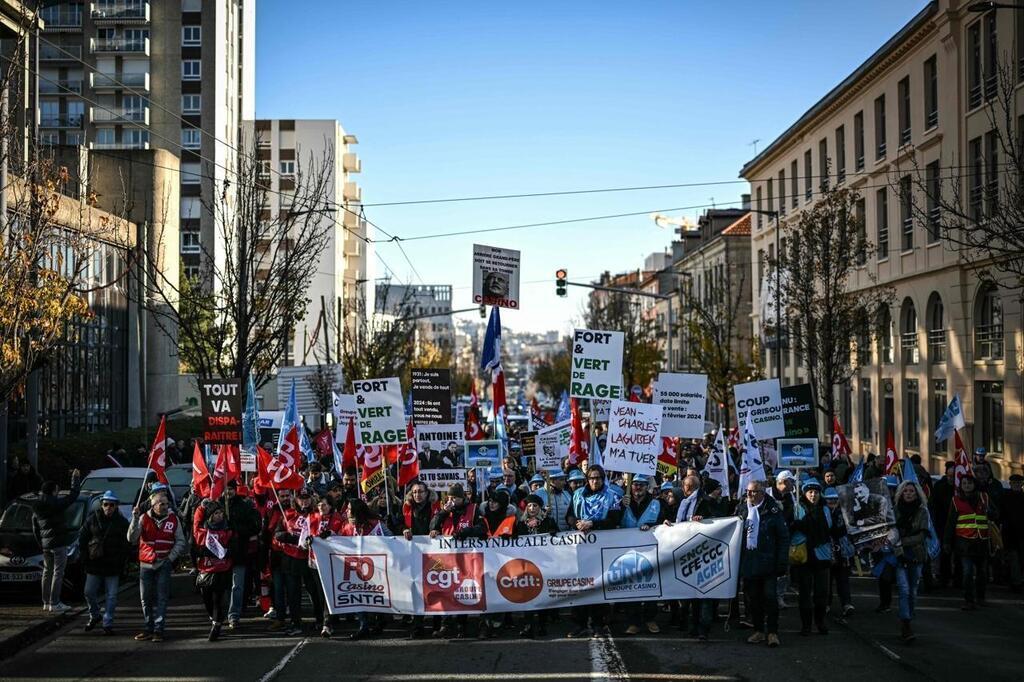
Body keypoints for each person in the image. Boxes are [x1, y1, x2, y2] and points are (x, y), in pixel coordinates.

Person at [566, 465, 622, 638]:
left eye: (598, 478)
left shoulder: (612, 496)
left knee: (599, 585)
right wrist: (577, 523)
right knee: (580, 585)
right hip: (581, 547)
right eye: (591, 478)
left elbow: (614, 519)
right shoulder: (577, 495)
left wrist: (593, 524)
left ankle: (599, 624)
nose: (594, 481)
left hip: (602, 547)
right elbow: (568, 516)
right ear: (587, 479)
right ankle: (579, 623)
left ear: (603, 478)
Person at [736, 480, 789, 648]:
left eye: (753, 492)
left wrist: (782, 562)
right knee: (754, 599)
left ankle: (772, 632)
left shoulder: (773, 510)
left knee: (770, 598)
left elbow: (783, 537)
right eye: (748, 492)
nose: (750, 495)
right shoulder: (743, 509)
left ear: (762, 493)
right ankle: (759, 630)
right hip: (750, 562)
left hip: (768, 562)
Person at [128, 490, 187, 642]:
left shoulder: (174, 520)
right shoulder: (143, 518)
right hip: (146, 565)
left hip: (163, 564)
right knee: (145, 598)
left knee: (162, 598)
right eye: (162, 504)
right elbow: (132, 538)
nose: (165, 506)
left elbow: (181, 541)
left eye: (167, 504)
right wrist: (134, 519)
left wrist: (170, 558)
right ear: (153, 505)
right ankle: (148, 627)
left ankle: (158, 629)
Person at [430, 484, 486, 638]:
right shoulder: (445, 510)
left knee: (464, 591)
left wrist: (468, 531)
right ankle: (446, 625)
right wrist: (443, 513)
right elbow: (433, 526)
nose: (451, 501)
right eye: (449, 497)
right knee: (447, 590)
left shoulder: (473, 509)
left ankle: (462, 626)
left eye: (454, 498)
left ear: (462, 498)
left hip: (468, 558)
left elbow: (482, 529)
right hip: (447, 557)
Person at [268, 487, 321, 635]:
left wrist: (301, 540)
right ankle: (296, 622)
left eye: (307, 498)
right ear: (296, 499)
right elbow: (277, 534)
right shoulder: (288, 514)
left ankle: (320, 619)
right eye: (301, 498)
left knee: (314, 591)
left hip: (310, 560)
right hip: (291, 559)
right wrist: (294, 538)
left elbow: (320, 535)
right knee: (293, 593)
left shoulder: (316, 515)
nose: (304, 501)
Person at [79, 490, 130, 634]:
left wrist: (121, 561)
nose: (108, 507)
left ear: (116, 506)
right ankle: (95, 615)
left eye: (112, 505)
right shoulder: (92, 519)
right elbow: (82, 539)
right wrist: (85, 559)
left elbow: (126, 544)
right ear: (101, 505)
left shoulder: (121, 522)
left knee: (112, 596)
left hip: (112, 565)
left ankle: (107, 623)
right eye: (106, 504)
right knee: (89, 592)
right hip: (94, 564)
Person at [31, 469, 82, 612]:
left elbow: (35, 528)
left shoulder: (36, 507)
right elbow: (73, 495)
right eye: (57, 491)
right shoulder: (56, 504)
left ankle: (46, 602)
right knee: (58, 572)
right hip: (59, 543)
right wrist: (75, 478)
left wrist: (41, 543)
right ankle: (55, 602)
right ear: (53, 491)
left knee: (47, 572)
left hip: (46, 544)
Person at [619, 475, 664, 635]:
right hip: (628, 552)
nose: (638, 488)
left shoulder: (657, 503)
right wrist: (621, 507)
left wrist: (651, 526)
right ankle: (633, 622)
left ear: (647, 487)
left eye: (642, 485)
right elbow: (615, 521)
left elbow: (664, 522)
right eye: (635, 484)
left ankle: (650, 619)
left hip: (651, 552)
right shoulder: (623, 503)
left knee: (650, 585)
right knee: (632, 587)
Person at [339, 498, 389, 639]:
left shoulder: (375, 524)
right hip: (356, 569)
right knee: (359, 595)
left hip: (377, 568)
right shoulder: (347, 526)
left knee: (377, 595)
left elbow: (390, 540)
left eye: (349, 509)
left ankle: (380, 621)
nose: (347, 511)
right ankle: (364, 625)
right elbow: (338, 543)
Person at [945, 474, 995, 610]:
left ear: (975, 484)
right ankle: (969, 600)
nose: (967, 486)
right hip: (964, 542)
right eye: (964, 483)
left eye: (970, 483)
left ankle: (981, 598)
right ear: (960, 486)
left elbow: (996, 514)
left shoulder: (984, 497)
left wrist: (990, 512)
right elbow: (950, 522)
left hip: (982, 541)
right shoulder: (955, 500)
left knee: (982, 572)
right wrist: (947, 542)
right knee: (967, 572)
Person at [217, 479, 261, 630]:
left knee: (237, 586)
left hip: (239, 553)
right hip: (220, 555)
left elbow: (256, 526)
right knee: (222, 586)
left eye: (230, 488)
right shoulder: (216, 505)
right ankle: (218, 615)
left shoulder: (245, 505)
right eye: (225, 489)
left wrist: (236, 530)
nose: (228, 492)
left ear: (235, 490)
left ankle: (234, 615)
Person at [790, 478, 832, 636]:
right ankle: (806, 625)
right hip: (804, 555)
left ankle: (820, 622)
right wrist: (800, 525)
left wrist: (804, 525)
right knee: (805, 592)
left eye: (816, 492)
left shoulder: (825, 509)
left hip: (822, 555)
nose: (813, 495)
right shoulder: (798, 507)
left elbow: (829, 527)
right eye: (810, 492)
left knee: (822, 592)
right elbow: (794, 527)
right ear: (804, 493)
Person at [515, 493, 558, 638]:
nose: (532, 508)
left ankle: (541, 624)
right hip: (527, 564)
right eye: (529, 506)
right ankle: (528, 624)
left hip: (544, 564)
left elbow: (557, 537)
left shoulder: (548, 521)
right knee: (528, 594)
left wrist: (552, 532)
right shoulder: (521, 523)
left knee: (542, 594)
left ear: (540, 508)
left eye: (535, 506)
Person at [400, 481, 439, 639]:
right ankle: (418, 625)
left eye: (420, 492)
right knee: (416, 588)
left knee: (435, 587)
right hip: (414, 554)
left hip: (433, 553)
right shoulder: (406, 508)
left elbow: (443, 522)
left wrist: (437, 529)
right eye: (415, 492)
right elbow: (398, 522)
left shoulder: (435, 507)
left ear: (427, 492)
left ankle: (437, 624)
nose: (418, 495)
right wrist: (403, 529)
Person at [893, 480, 929, 642]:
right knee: (904, 590)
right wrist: (897, 543)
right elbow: (891, 532)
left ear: (917, 494)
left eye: (911, 491)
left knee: (913, 591)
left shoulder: (922, 512)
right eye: (905, 491)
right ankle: (905, 623)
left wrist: (902, 540)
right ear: (901, 493)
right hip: (900, 555)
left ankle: (909, 615)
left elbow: (921, 536)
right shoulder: (894, 511)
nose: (908, 493)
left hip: (916, 555)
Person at [194, 501, 235, 642]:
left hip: (223, 569)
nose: (219, 516)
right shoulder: (203, 532)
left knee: (218, 598)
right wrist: (201, 507)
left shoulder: (228, 531)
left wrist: (226, 552)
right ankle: (214, 617)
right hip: (206, 570)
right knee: (207, 599)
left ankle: (216, 625)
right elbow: (196, 546)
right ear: (210, 516)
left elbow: (234, 548)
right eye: (216, 513)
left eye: (221, 513)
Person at [823, 487, 854, 618]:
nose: (832, 502)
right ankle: (826, 604)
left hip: (842, 550)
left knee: (843, 578)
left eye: (835, 499)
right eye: (829, 499)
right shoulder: (822, 512)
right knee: (826, 579)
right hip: (826, 549)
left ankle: (846, 604)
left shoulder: (844, 512)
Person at [929, 461, 958, 587]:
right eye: (950, 476)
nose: (951, 479)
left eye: (954, 476)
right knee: (945, 554)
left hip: (958, 527)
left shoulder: (960, 488)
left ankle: (958, 579)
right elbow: (933, 506)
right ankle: (944, 577)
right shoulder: (940, 486)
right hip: (942, 524)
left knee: (958, 554)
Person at [1002, 474, 1024, 593]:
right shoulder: (1005, 497)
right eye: (1014, 483)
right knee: (1013, 559)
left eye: (1019, 483)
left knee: (1020, 559)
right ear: (1010, 484)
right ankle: (1016, 582)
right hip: (1009, 534)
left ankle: (1017, 580)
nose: (1016, 485)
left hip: (1021, 534)